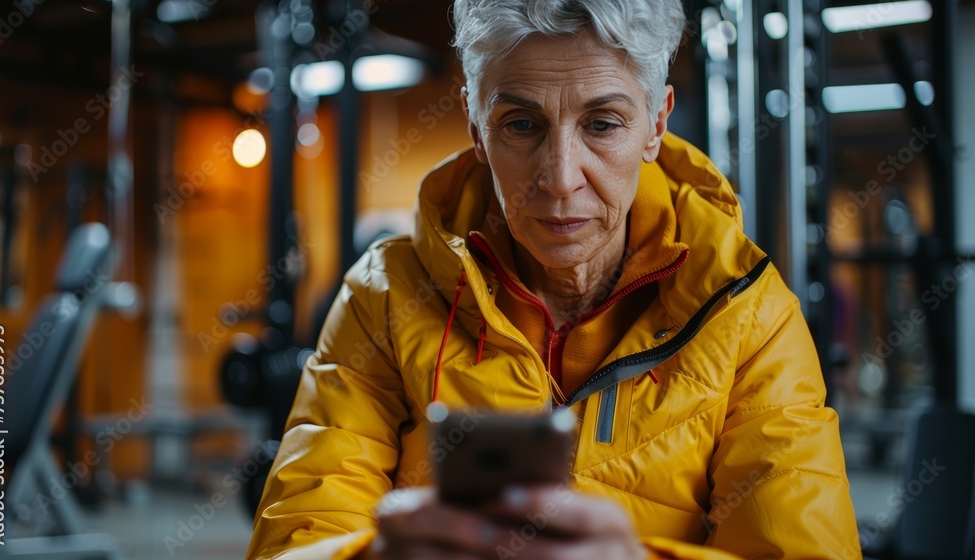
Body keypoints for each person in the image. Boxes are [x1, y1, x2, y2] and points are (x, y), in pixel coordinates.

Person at [246, 0, 862, 558]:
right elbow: (298, 538)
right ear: (474, 123)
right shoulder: (381, 300)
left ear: (656, 123)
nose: (561, 177)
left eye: (602, 125)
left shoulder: (750, 316)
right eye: (521, 124)